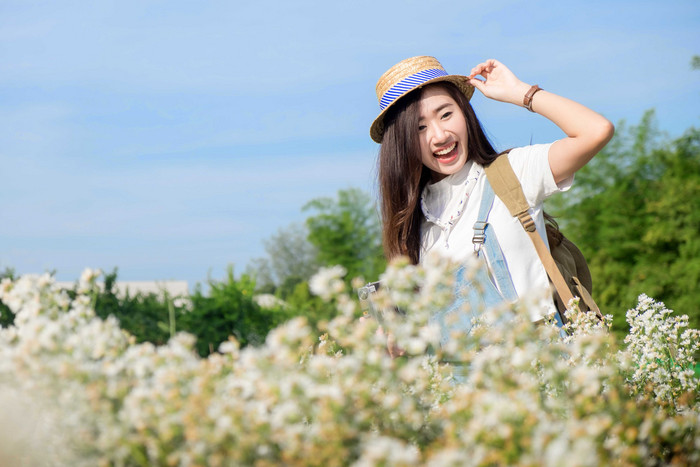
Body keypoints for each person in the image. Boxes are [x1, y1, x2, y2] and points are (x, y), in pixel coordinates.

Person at [370, 56, 613, 347]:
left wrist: (522, 93)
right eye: (419, 128)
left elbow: (596, 131)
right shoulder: (413, 230)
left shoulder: (514, 172)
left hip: (546, 368)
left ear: (465, 113)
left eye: (446, 114)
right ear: (402, 143)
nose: (439, 135)